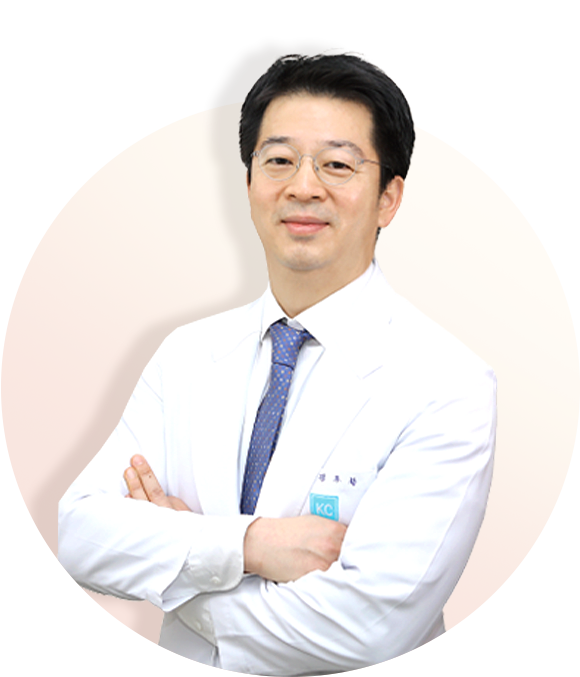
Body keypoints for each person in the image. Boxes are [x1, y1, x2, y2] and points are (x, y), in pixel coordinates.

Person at [58, 49, 496, 675]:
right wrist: (249, 545)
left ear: (388, 199)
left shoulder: (448, 382)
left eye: (337, 164)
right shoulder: (188, 354)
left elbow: (364, 628)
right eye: (279, 160)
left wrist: (176, 566)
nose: (303, 187)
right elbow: (80, 534)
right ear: (248, 185)